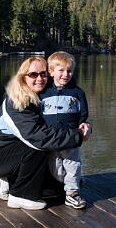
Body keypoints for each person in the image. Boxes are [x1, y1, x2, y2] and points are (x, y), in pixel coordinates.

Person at [0, 56, 91, 210]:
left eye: (43, 74)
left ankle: (12, 181)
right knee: (40, 144)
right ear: (23, 77)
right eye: (33, 74)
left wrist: (83, 125)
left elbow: (67, 93)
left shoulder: (42, 95)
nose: (39, 78)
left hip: (23, 153)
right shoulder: (16, 101)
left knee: (56, 191)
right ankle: (19, 195)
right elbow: (37, 137)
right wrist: (77, 136)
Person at [40, 51, 91, 209]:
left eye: (69, 71)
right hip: (50, 139)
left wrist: (82, 125)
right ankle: (70, 182)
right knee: (56, 167)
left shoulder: (77, 92)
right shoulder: (43, 93)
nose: (65, 74)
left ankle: (72, 193)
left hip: (70, 138)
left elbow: (83, 114)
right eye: (61, 70)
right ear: (51, 71)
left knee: (73, 164)